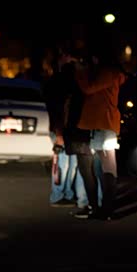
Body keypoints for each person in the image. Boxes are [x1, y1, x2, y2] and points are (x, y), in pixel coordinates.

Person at [73, 44, 127, 220]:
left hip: (104, 125)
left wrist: (80, 71)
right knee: (102, 169)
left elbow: (89, 88)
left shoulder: (108, 72)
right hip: (101, 125)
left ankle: (107, 210)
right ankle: (104, 209)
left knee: (107, 169)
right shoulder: (108, 72)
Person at [43, 49, 88, 208]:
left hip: (67, 128)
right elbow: (55, 108)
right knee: (63, 163)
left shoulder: (67, 81)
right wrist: (58, 132)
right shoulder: (58, 81)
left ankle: (67, 193)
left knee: (71, 164)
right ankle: (57, 195)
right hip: (60, 128)